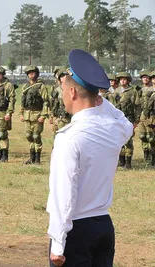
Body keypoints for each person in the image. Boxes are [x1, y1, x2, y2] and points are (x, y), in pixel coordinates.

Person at [47, 49, 133, 267]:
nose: (63, 95)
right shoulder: (113, 130)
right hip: (103, 225)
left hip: (76, 231)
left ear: (73, 92)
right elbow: (126, 124)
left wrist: (58, 243)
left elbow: (64, 193)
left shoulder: (69, 137)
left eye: (63, 90)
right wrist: (99, 99)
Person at [20, 66, 49, 164]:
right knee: (29, 136)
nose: (31, 74)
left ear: (37, 74)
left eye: (33, 72)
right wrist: (21, 114)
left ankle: (37, 159)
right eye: (30, 73)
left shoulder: (41, 86)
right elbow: (22, 102)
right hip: (27, 115)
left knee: (36, 136)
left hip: (37, 114)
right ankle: (31, 157)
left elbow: (46, 101)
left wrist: (43, 115)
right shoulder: (25, 87)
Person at [114, 72, 140, 169]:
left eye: (124, 79)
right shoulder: (116, 91)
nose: (122, 81)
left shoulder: (133, 91)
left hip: (128, 119)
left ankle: (128, 163)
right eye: (121, 79)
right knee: (118, 140)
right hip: (117, 119)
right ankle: (121, 161)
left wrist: (136, 120)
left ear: (128, 81)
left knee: (128, 141)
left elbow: (137, 106)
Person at [137, 70, 154, 161]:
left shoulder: (153, 89)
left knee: (150, 136)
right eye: (143, 77)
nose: (145, 79)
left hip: (151, 115)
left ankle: (152, 153)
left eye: (147, 77)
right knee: (142, 135)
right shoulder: (139, 90)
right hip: (142, 114)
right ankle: (145, 153)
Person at [49, 68, 71, 138]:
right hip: (59, 118)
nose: (64, 78)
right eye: (61, 76)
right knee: (57, 138)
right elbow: (54, 104)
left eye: (65, 76)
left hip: (71, 119)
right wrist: (52, 116)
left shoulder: (74, 89)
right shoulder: (57, 90)